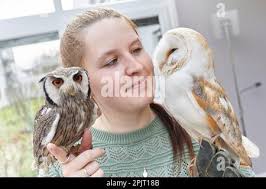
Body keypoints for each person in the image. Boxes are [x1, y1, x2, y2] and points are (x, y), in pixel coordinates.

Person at [43, 7, 255, 177]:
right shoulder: (68, 164)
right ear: (82, 85)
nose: (135, 65)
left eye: (136, 49)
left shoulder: (201, 130)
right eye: (111, 61)